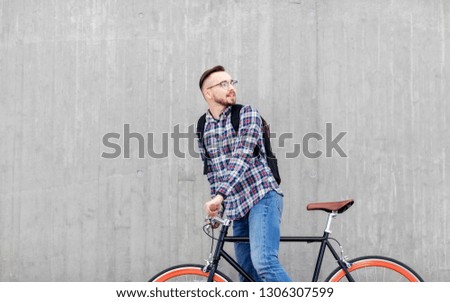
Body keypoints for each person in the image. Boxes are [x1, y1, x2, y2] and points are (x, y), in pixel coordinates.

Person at [197, 65, 291, 282]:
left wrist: (219, 195)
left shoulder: (247, 114)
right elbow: (212, 170)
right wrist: (217, 205)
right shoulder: (203, 126)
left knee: (264, 262)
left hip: (262, 196)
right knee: (248, 276)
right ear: (208, 93)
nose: (231, 88)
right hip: (236, 208)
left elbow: (242, 157)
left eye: (232, 82)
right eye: (223, 84)